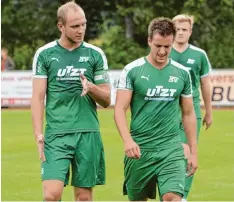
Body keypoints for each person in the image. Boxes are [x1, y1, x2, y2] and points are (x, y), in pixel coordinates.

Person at [31, 1, 111, 201]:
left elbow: (107, 99)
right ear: (61, 26)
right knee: (51, 194)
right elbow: (38, 97)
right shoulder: (45, 54)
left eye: (83, 24)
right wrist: (38, 134)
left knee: (83, 197)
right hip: (57, 133)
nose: (81, 30)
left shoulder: (95, 54)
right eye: (75, 26)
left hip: (87, 132)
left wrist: (91, 88)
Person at [114, 17, 198, 201]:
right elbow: (119, 109)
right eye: (158, 45)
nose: (162, 51)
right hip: (140, 149)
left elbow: (188, 113)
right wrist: (127, 141)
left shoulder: (182, 73)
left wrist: (193, 151)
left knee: (172, 197)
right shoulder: (132, 70)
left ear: (173, 42)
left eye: (167, 47)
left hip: (171, 148)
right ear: (149, 41)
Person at [169, 14, 213, 201]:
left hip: (192, 110)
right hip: (168, 110)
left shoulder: (198, 55)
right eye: (177, 29)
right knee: (170, 152)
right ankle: (169, 190)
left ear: (190, 32)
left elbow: (205, 83)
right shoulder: (164, 51)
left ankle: (182, 195)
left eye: (184, 30)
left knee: (189, 151)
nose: (180, 33)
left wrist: (209, 111)